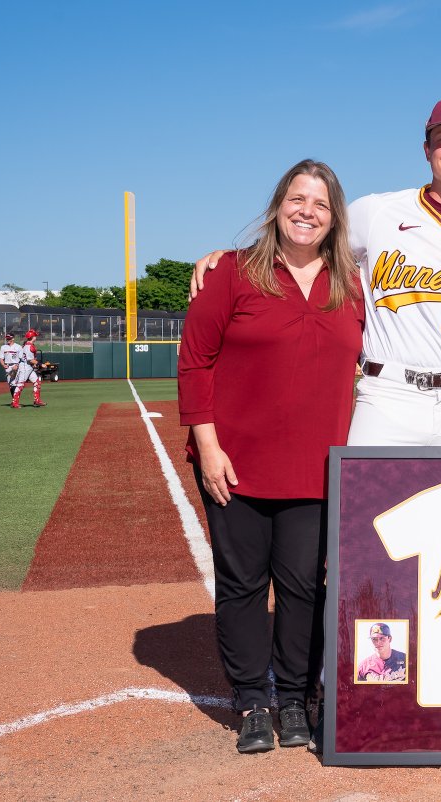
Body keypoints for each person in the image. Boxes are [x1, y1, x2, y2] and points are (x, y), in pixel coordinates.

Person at [192, 96, 441, 453]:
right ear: (427, 149)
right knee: (366, 507)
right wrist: (235, 258)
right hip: (386, 396)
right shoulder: (376, 212)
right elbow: (306, 240)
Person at [179, 159, 364, 755]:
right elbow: (194, 362)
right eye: (297, 199)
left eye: (321, 203)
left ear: (334, 217)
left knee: (306, 587)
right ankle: (253, 701)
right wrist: (208, 448)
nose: (307, 212)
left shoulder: (352, 282)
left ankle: (294, 699)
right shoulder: (231, 273)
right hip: (235, 462)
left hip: (316, 466)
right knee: (241, 586)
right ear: (278, 204)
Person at [11, 330, 45, 408]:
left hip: (28, 366)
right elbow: (30, 360)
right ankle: (14, 403)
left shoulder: (27, 345)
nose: (36, 337)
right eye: (35, 336)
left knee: (37, 382)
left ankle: (37, 400)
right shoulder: (29, 346)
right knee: (20, 385)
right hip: (25, 367)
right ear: (32, 337)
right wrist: (40, 364)